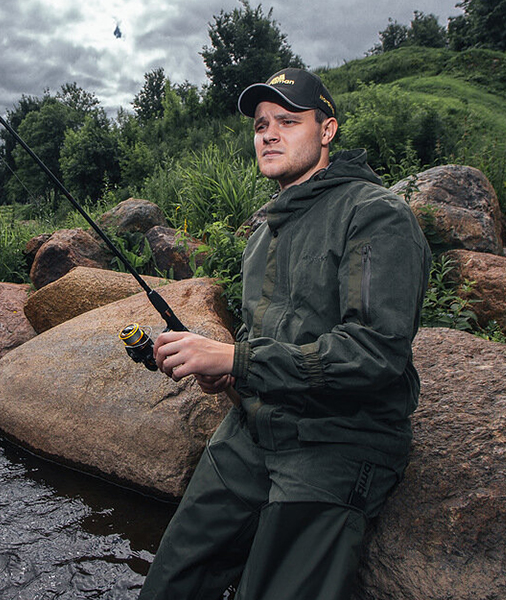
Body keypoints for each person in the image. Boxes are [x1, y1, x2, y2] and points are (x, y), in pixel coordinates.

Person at [138, 68, 432, 600]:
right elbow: (258, 342)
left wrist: (237, 360)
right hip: (252, 433)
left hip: (337, 440)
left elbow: (374, 353)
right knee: (167, 587)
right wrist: (222, 371)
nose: (268, 133)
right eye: (260, 124)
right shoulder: (263, 235)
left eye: (288, 122)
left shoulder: (376, 214)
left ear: (327, 131)